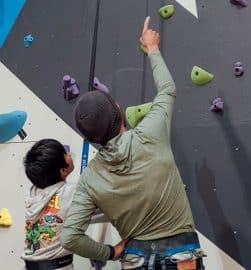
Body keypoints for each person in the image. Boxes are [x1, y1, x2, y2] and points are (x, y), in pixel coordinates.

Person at [60, 16, 205, 270]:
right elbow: (167, 89)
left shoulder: (90, 179)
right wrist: (152, 48)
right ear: (119, 110)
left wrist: (111, 252)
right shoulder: (150, 132)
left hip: (134, 259)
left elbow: (70, 236)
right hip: (182, 259)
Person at [21, 139, 75, 270]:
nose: (69, 153)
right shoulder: (70, 193)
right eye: (66, 154)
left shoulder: (32, 192)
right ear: (62, 170)